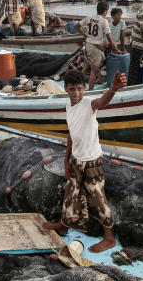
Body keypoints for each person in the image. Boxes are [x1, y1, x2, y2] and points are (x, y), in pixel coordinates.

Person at [42, 69, 126, 253]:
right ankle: (64, 226)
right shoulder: (68, 106)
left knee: (98, 198)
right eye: (72, 89)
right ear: (66, 89)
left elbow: (101, 102)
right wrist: (66, 160)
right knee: (71, 193)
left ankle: (109, 238)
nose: (76, 93)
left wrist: (113, 88)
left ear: (84, 89)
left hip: (92, 161)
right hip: (76, 160)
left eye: (80, 89)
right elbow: (72, 133)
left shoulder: (88, 104)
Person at [77, 1, 120, 90]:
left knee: (88, 65)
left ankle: (79, 81)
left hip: (88, 45)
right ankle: (91, 90)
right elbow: (110, 38)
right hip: (96, 48)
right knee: (93, 71)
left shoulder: (88, 18)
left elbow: (76, 26)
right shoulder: (104, 21)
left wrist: (85, 35)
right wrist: (117, 50)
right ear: (105, 11)